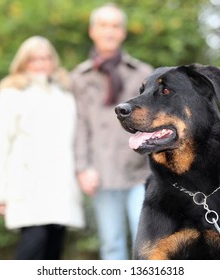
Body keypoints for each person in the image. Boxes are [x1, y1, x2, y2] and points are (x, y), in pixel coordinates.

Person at [0, 36, 85, 260]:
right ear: (23, 62)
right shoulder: (11, 93)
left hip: (61, 186)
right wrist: (0, 194)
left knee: (54, 251)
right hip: (28, 185)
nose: (40, 64)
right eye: (34, 59)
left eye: (45, 58)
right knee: (34, 244)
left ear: (53, 61)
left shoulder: (64, 92)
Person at [71, 3, 153, 260]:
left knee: (148, 242)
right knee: (111, 244)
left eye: (115, 26)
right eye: (104, 25)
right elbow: (79, 125)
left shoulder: (142, 73)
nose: (109, 31)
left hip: (140, 172)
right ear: (92, 31)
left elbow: (156, 122)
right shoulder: (80, 77)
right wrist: (83, 167)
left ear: (123, 33)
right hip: (102, 174)